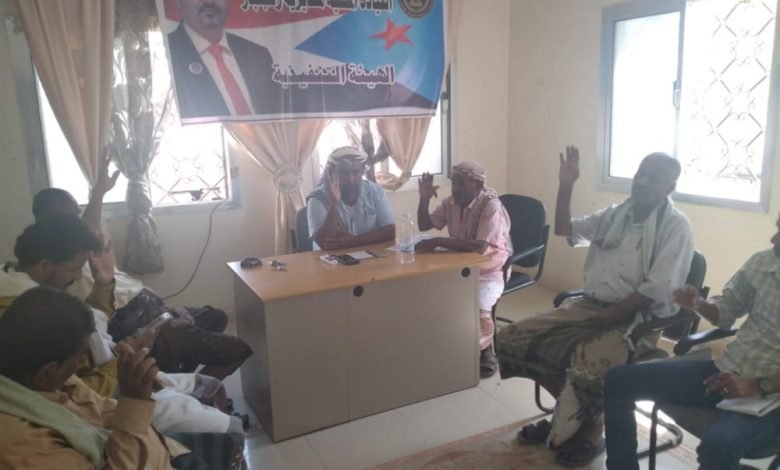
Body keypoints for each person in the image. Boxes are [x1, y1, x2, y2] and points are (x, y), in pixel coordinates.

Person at [495, 146, 694, 467]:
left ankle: (591, 430)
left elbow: (657, 287)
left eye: (654, 178)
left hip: (637, 319)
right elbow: (565, 229)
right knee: (513, 338)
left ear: (670, 188)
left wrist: (611, 315)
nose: (642, 181)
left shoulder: (676, 226)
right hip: (590, 307)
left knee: (590, 370)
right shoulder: (616, 214)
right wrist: (566, 184)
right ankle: (566, 415)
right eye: (641, 173)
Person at [0, 214, 242, 435]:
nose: (78, 277)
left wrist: (104, 284)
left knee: (210, 386)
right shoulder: (27, 315)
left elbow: (89, 325)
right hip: (109, 400)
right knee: (229, 426)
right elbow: (81, 389)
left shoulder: (20, 284)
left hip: (115, 376)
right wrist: (122, 363)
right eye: (74, 269)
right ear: (44, 265)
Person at [33, 169, 252, 381]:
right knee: (237, 349)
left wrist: (99, 192)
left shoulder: (78, 246)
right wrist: (165, 322)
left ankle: (179, 376)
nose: (79, 218)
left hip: (152, 309)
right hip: (137, 322)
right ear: (56, 220)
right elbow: (108, 319)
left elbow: (90, 226)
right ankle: (200, 393)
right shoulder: (62, 262)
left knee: (217, 317)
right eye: (74, 213)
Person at [604, 218, 780, 470]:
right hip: (725, 372)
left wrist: (756, 384)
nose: (774, 239)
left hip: (770, 397)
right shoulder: (764, 262)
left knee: (718, 447)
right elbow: (727, 312)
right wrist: (699, 304)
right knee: (618, 380)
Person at [0, 287, 244, 469]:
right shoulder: (23, 448)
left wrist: (135, 386)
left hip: (151, 447)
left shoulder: (45, 379)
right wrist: (133, 401)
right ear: (48, 371)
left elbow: (99, 407)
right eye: (79, 358)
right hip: (138, 454)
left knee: (229, 437)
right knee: (231, 435)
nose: (82, 364)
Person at [167, 0, 434, 120]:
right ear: (177, 2)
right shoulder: (174, 55)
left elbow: (298, 98)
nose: (208, 2)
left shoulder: (256, 53)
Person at [415, 161, 512, 378]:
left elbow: (480, 247)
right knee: (432, 293)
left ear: (477, 184)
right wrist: (424, 199)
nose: (455, 188)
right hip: (459, 266)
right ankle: (451, 342)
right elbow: (424, 225)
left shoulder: (491, 207)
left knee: (478, 305)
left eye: (461, 183)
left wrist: (438, 241)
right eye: (453, 183)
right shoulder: (451, 203)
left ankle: (485, 351)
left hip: (489, 270)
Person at [307, 146, 395, 251]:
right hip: (330, 259)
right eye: (343, 173)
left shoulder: (375, 192)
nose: (350, 180)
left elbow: (390, 232)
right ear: (331, 173)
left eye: (355, 172)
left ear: (362, 171)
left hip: (369, 258)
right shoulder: (317, 199)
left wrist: (353, 241)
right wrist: (334, 203)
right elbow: (324, 242)